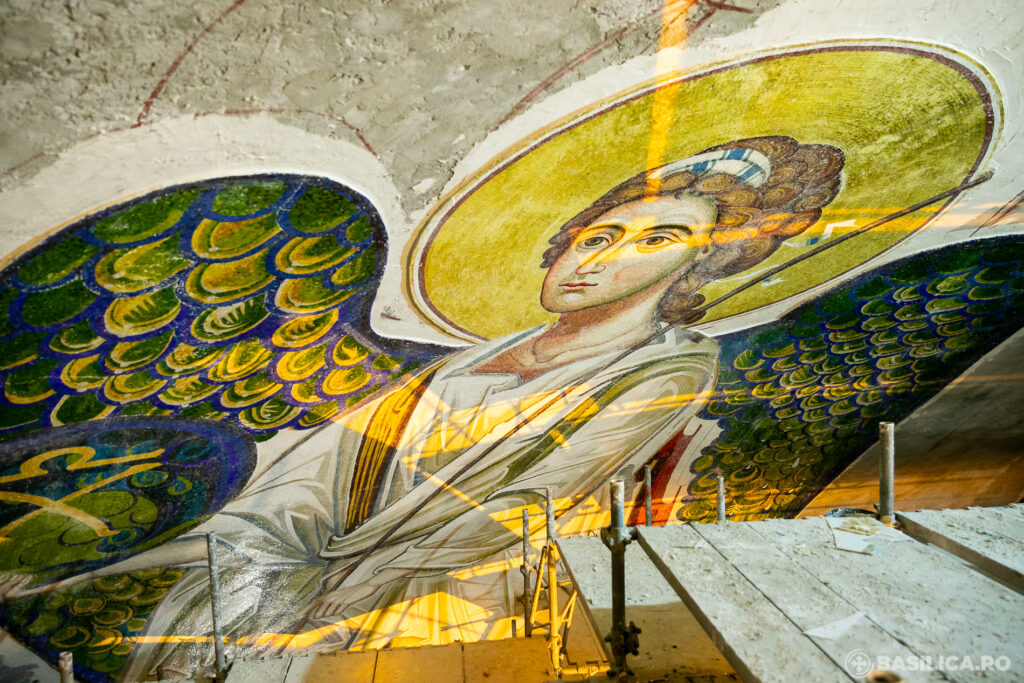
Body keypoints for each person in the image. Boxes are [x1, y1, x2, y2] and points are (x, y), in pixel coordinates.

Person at [3, 136, 845, 678]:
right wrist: (182, 562)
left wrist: (320, 613)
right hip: (322, 578)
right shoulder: (452, 367)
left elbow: (505, 514)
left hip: (449, 603)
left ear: (698, 269)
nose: (603, 260)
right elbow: (307, 490)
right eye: (597, 235)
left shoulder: (662, 375)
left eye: (658, 241)